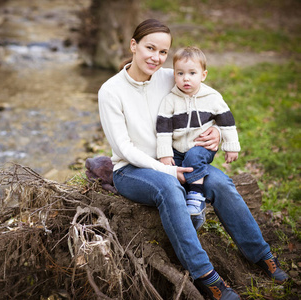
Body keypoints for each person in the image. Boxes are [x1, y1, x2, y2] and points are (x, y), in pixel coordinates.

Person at [97, 18, 289, 300]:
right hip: (132, 170)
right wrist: (165, 169)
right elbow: (124, 148)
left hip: (179, 159)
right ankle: (207, 277)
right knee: (169, 187)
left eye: (163, 52)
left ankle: (261, 254)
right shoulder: (111, 91)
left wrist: (215, 133)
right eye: (150, 48)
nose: (156, 57)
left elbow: (206, 104)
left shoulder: (170, 77)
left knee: (221, 183)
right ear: (133, 45)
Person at [156, 46, 241, 231]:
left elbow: (227, 122)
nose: (186, 78)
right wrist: (164, 154)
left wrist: (231, 146)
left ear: (203, 75)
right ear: (174, 75)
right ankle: (179, 212)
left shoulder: (212, 97)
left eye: (192, 73)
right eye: (180, 73)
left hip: (202, 147)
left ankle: (196, 196)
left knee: (194, 157)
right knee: (169, 173)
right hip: (178, 148)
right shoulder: (170, 100)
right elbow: (163, 131)